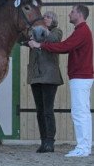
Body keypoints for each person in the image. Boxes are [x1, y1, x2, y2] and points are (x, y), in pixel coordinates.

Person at [28, 4, 93, 157]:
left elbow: (64, 46)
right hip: (80, 76)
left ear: (80, 14)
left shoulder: (82, 31)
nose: (69, 14)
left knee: (80, 113)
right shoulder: (81, 31)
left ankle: (83, 148)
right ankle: (84, 146)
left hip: (81, 76)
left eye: (72, 12)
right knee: (81, 112)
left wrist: (39, 45)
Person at [26, 11, 63, 153]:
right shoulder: (35, 32)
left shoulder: (56, 31)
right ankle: (43, 141)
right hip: (35, 76)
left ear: (53, 20)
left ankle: (50, 142)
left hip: (49, 77)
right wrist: (29, 39)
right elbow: (21, 40)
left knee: (48, 110)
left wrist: (43, 30)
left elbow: (54, 39)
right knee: (40, 111)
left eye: (47, 17)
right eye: (44, 17)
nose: (44, 18)